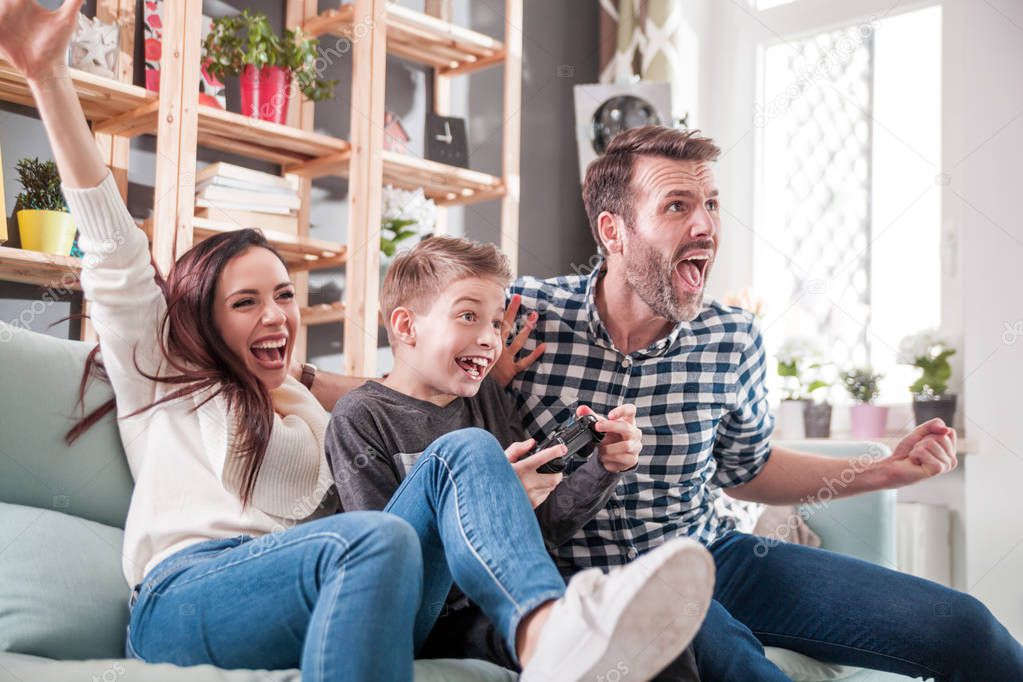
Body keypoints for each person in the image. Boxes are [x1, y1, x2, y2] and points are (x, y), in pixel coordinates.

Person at [0, 2, 715, 680]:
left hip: (324, 583)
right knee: (379, 534)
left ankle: (543, 631)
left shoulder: (316, 411)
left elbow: (399, 420)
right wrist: (47, 75)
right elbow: (113, 253)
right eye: (245, 301)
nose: (276, 314)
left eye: (284, 294)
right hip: (187, 598)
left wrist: (489, 398)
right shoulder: (166, 376)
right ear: (200, 322)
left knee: (460, 454)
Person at [495, 124, 1023, 680]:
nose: (706, 227)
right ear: (614, 231)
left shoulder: (732, 338)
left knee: (966, 629)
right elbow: (411, 397)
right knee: (729, 655)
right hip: (573, 584)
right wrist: (483, 375)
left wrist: (883, 468)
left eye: (712, 204)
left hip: (708, 558)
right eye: (677, 206)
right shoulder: (525, 315)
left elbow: (747, 469)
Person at [326, 236, 709, 678]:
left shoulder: (486, 399)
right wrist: (488, 504)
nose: (489, 340)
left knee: (649, 635)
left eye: (494, 323)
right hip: (429, 616)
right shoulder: (361, 417)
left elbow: (544, 530)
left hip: (501, 601)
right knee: (472, 455)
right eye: (469, 316)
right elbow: (385, 571)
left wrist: (603, 466)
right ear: (406, 326)